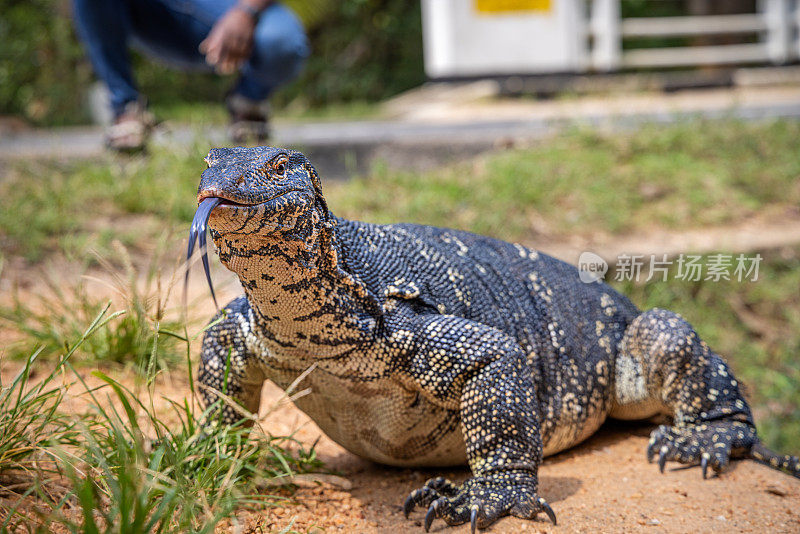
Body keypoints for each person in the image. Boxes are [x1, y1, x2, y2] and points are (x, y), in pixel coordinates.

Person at [72, 0, 309, 150]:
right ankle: (126, 110)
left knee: (283, 42)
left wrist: (246, 10)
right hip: (157, 12)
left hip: (234, 7)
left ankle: (249, 103)